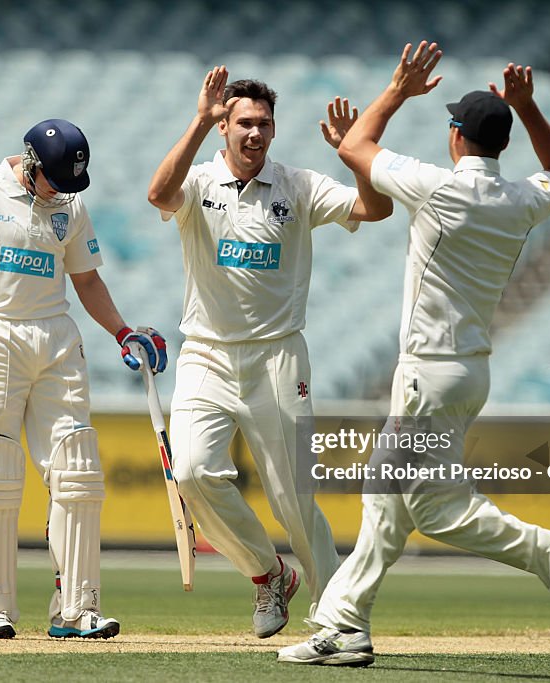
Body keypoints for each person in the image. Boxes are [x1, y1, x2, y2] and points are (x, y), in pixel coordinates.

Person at [278, 42, 550, 667]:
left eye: (451, 125)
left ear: (457, 137)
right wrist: (530, 108)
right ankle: (345, 626)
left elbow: (353, 149)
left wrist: (397, 90)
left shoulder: (438, 188)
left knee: (434, 507)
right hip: (469, 369)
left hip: (427, 374)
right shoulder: (520, 199)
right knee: (385, 502)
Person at [147, 67, 393, 639]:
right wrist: (198, 119)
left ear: (275, 129)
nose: (254, 133)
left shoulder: (298, 185)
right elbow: (158, 194)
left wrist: (356, 156)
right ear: (223, 129)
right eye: (242, 124)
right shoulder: (200, 182)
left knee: (292, 498)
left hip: (277, 358)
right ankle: (268, 574)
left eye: (263, 123)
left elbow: (374, 210)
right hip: (205, 353)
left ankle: (338, 616)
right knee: (192, 470)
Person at [0, 119, 167, 640]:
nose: (61, 190)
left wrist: (121, 332)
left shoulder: (68, 203)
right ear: (29, 163)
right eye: (52, 179)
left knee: (78, 469)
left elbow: (88, 279)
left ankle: (77, 608)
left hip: (55, 335)